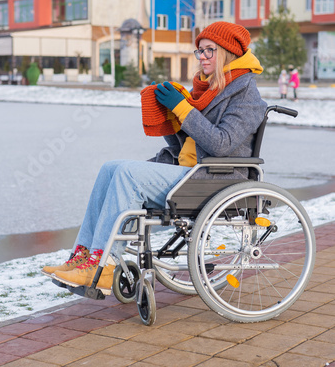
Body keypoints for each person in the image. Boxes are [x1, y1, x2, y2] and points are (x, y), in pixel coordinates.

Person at [42, 21, 267, 295]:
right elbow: (189, 144)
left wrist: (183, 109)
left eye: (210, 50)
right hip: (191, 171)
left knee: (127, 174)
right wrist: (171, 116)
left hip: (214, 178)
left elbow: (221, 143)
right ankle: (83, 255)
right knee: (110, 168)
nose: (203, 57)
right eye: (200, 51)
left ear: (228, 52)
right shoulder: (210, 89)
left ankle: (103, 265)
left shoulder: (247, 96)